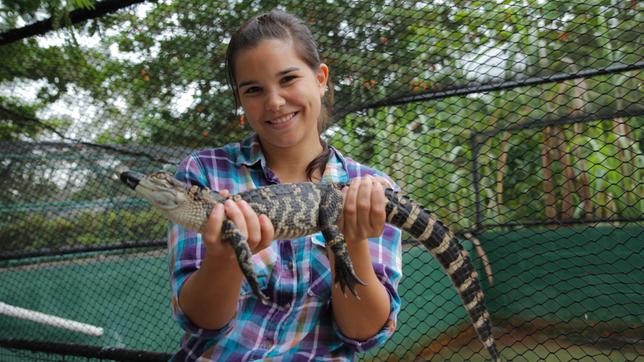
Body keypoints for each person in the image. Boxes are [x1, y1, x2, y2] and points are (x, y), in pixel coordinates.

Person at [167, 9, 402, 361]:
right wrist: (223, 256)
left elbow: (361, 334)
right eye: (254, 89)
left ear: (321, 79)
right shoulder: (202, 174)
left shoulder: (368, 188)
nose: (275, 101)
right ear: (241, 100)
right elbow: (200, 323)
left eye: (288, 79)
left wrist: (352, 241)